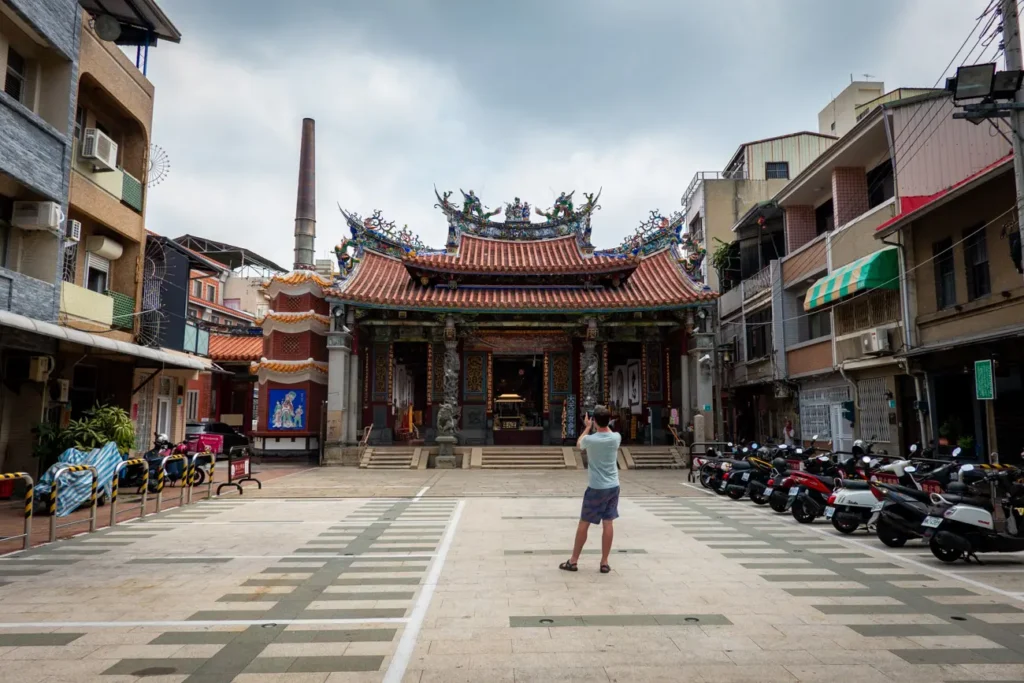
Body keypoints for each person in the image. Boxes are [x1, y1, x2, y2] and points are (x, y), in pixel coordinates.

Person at [560, 405, 622, 574]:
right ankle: (604, 562)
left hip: (596, 487)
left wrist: (587, 427)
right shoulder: (616, 438)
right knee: (608, 522)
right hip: (613, 486)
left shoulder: (591, 440)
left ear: (594, 421)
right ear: (609, 420)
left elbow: (579, 443)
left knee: (584, 523)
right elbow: (607, 430)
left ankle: (573, 561)